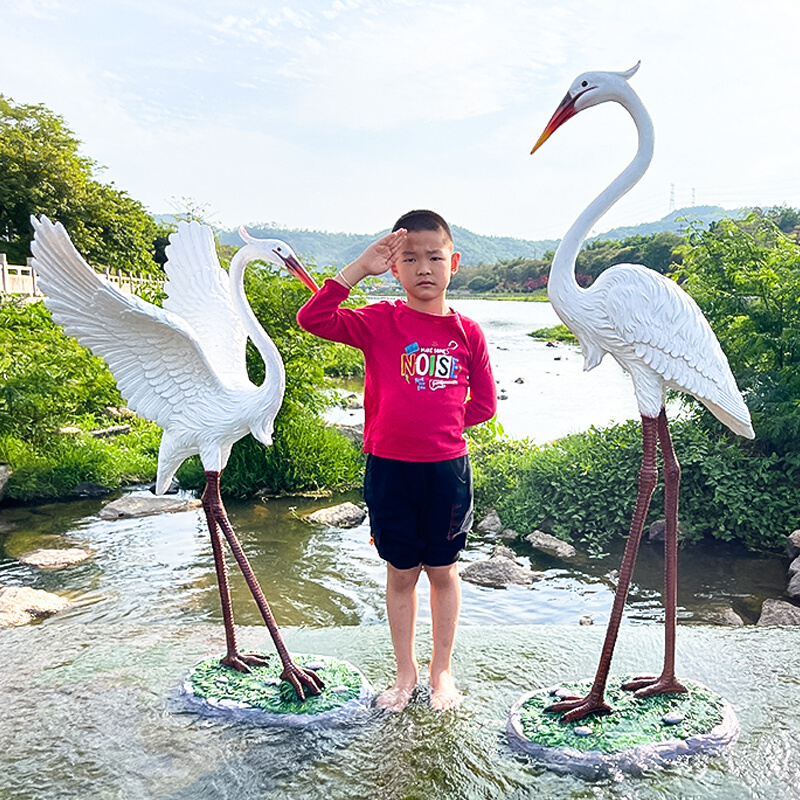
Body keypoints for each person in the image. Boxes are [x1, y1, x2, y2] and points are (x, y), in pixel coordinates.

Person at [296, 209, 496, 712]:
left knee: (444, 571)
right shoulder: (380, 321)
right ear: (396, 267)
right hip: (389, 469)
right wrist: (357, 269)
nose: (423, 267)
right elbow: (313, 318)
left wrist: (441, 423)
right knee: (401, 572)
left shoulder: (467, 332)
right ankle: (405, 675)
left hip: (447, 471)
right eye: (409, 258)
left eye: (433, 257)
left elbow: (485, 404)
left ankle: (441, 673)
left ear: (453, 262)